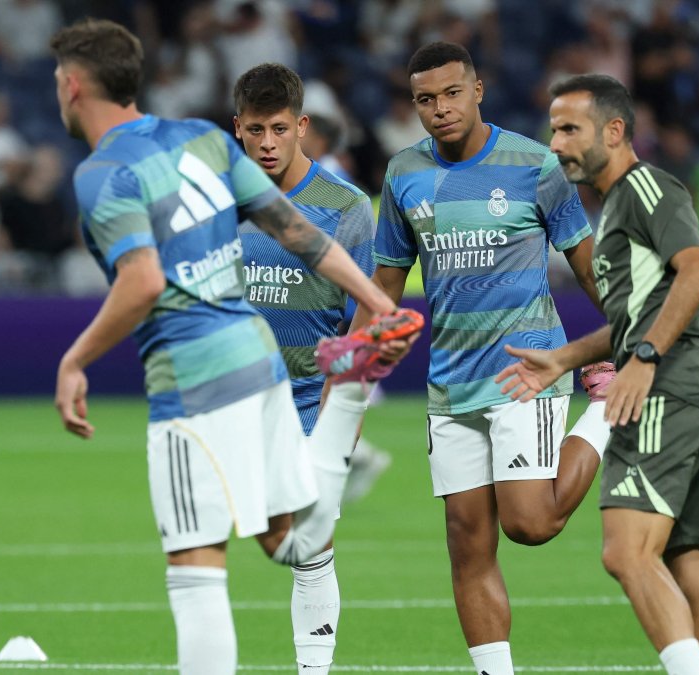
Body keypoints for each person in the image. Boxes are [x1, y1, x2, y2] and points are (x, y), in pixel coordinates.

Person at [49, 20, 419, 675]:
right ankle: (346, 418)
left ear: (74, 85)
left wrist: (74, 359)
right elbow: (295, 227)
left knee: (196, 572)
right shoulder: (204, 139)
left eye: (58, 81)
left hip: (196, 378)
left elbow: (142, 282)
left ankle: (344, 408)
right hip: (264, 364)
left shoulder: (103, 171)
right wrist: (381, 300)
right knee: (294, 541)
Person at [353, 41, 613, 675]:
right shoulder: (403, 173)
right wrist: (354, 380)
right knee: (467, 546)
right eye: (424, 99)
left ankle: (607, 412)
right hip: (450, 383)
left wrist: (631, 338)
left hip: (527, 371)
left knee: (531, 525)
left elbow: (588, 264)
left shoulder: (534, 164)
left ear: (478, 90)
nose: (439, 109)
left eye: (450, 93)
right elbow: (384, 284)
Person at [496, 74, 699, 675]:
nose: (556, 144)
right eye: (553, 129)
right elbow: (638, 315)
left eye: (569, 129)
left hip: (671, 385)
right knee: (693, 568)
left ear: (614, 130)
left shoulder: (645, 188)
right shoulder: (614, 213)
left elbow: (697, 272)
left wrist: (646, 359)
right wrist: (566, 357)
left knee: (626, 553)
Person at [232, 62, 377, 674]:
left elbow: (365, 319)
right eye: (256, 130)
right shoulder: (217, 207)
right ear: (236, 128)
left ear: (302, 126)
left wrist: (349, 408)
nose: (268, 144)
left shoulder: (344, 207)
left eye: (279, 129)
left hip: (311, 403)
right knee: (250, 543)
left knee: (312, 545)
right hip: (233, 404)